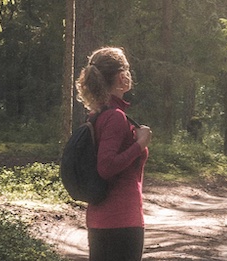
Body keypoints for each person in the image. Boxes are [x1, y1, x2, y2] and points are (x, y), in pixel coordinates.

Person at [75, 47, 152, 261]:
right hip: (121, 221)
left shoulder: (98, 114)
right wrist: (140, 145)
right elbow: (106, 166)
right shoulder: (115, 117)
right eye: (127, 70)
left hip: (101, 219)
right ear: (121, 77)